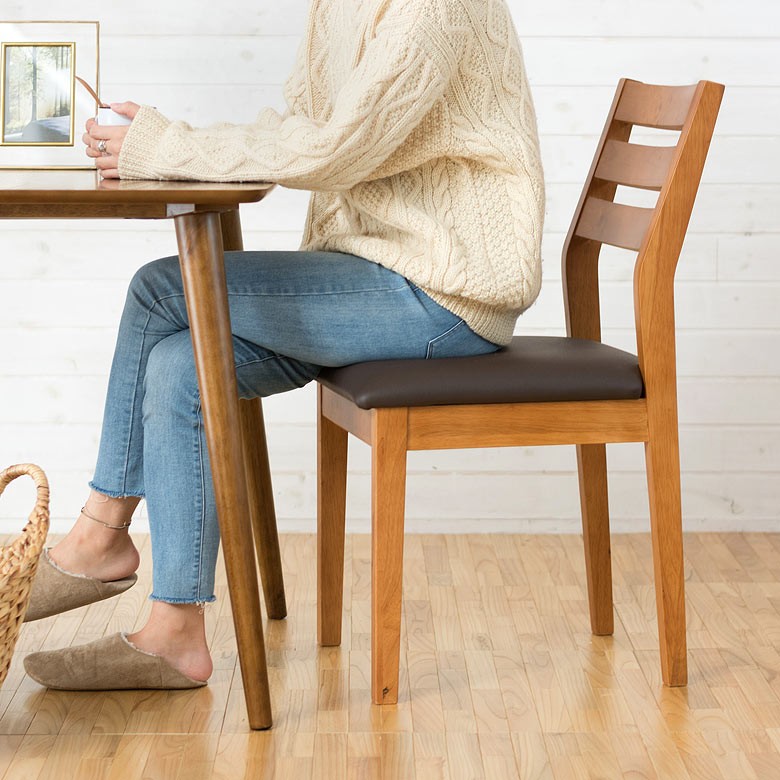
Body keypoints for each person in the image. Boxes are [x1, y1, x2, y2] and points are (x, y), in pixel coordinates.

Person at [23, 0, 544, 690]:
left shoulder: (436, 8)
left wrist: (166, 147)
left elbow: (335, 148)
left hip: (444, 295)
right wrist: (167, 145)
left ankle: (99, 534)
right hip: (370, 272)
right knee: (184, 363)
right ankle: (175, 634)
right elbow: (299, 127)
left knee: (160, 290)